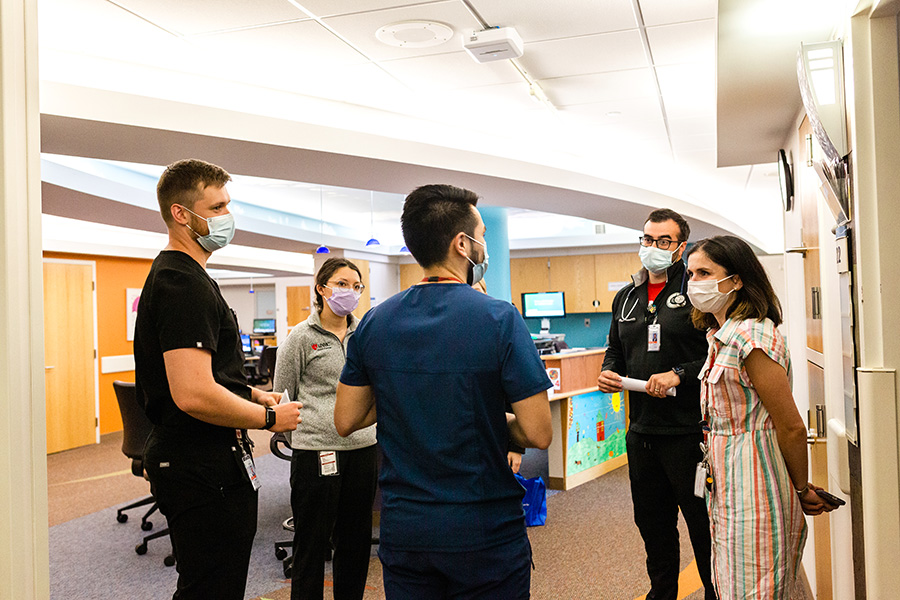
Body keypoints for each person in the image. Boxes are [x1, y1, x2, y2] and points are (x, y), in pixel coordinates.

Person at [333, 183, 553, 599]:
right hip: (483, 530)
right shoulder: (499, 319)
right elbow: (539, 432)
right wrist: (487, 418)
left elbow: (346, 420)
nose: (485, 247)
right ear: (462, 244)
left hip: (407, 531)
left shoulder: (376, 323)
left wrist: (411, 400)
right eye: (483, 237)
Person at [134, 158, 302, 600]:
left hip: (206, 461)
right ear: (181, 214)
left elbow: (208, 375)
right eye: (218, 206)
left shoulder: (192, 277)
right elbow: (192, 393)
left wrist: (253, 394)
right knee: (209, 589)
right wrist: (268, 421)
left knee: (216, 584)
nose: (228, 216)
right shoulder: (180, 281)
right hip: (198, 466)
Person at [685, 235, 834, 599]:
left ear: (736, 280)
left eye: (705, 272)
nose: (694, 283)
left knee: (756, 587)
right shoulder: (720, 334)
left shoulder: (751, 336)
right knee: (731, 580)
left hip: (754, 482)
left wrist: (800, 489)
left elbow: (791, 426)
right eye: (691, 273)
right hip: (729, 479)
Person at [597, 208, 717, 600]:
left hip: (687, 432)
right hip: (642, 432)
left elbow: (718, 353)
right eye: (647, 239)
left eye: (663, 241)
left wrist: (679, 373)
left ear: (680, 246)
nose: (653, 247)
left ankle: (717, 593)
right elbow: (615, 348)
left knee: (702, 527)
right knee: (653, 525)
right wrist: (609, 371)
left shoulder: (698, 290)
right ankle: (662, 593)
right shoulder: (627, 297)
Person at [273, 257, 377, 600]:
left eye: (356, 286)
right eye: (342, 284)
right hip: (316, 450)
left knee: (355, 540)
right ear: (322, 288)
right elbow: (282, 396)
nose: (350, 292)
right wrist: (304, 437)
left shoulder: (365, 333)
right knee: (311, 542)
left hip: (362, 448)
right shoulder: (300, 338)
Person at [473, 278, 525, 474]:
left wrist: (516, 447)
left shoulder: (501, 328)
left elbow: (515, 391)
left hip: (498, 435)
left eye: (477, 291)